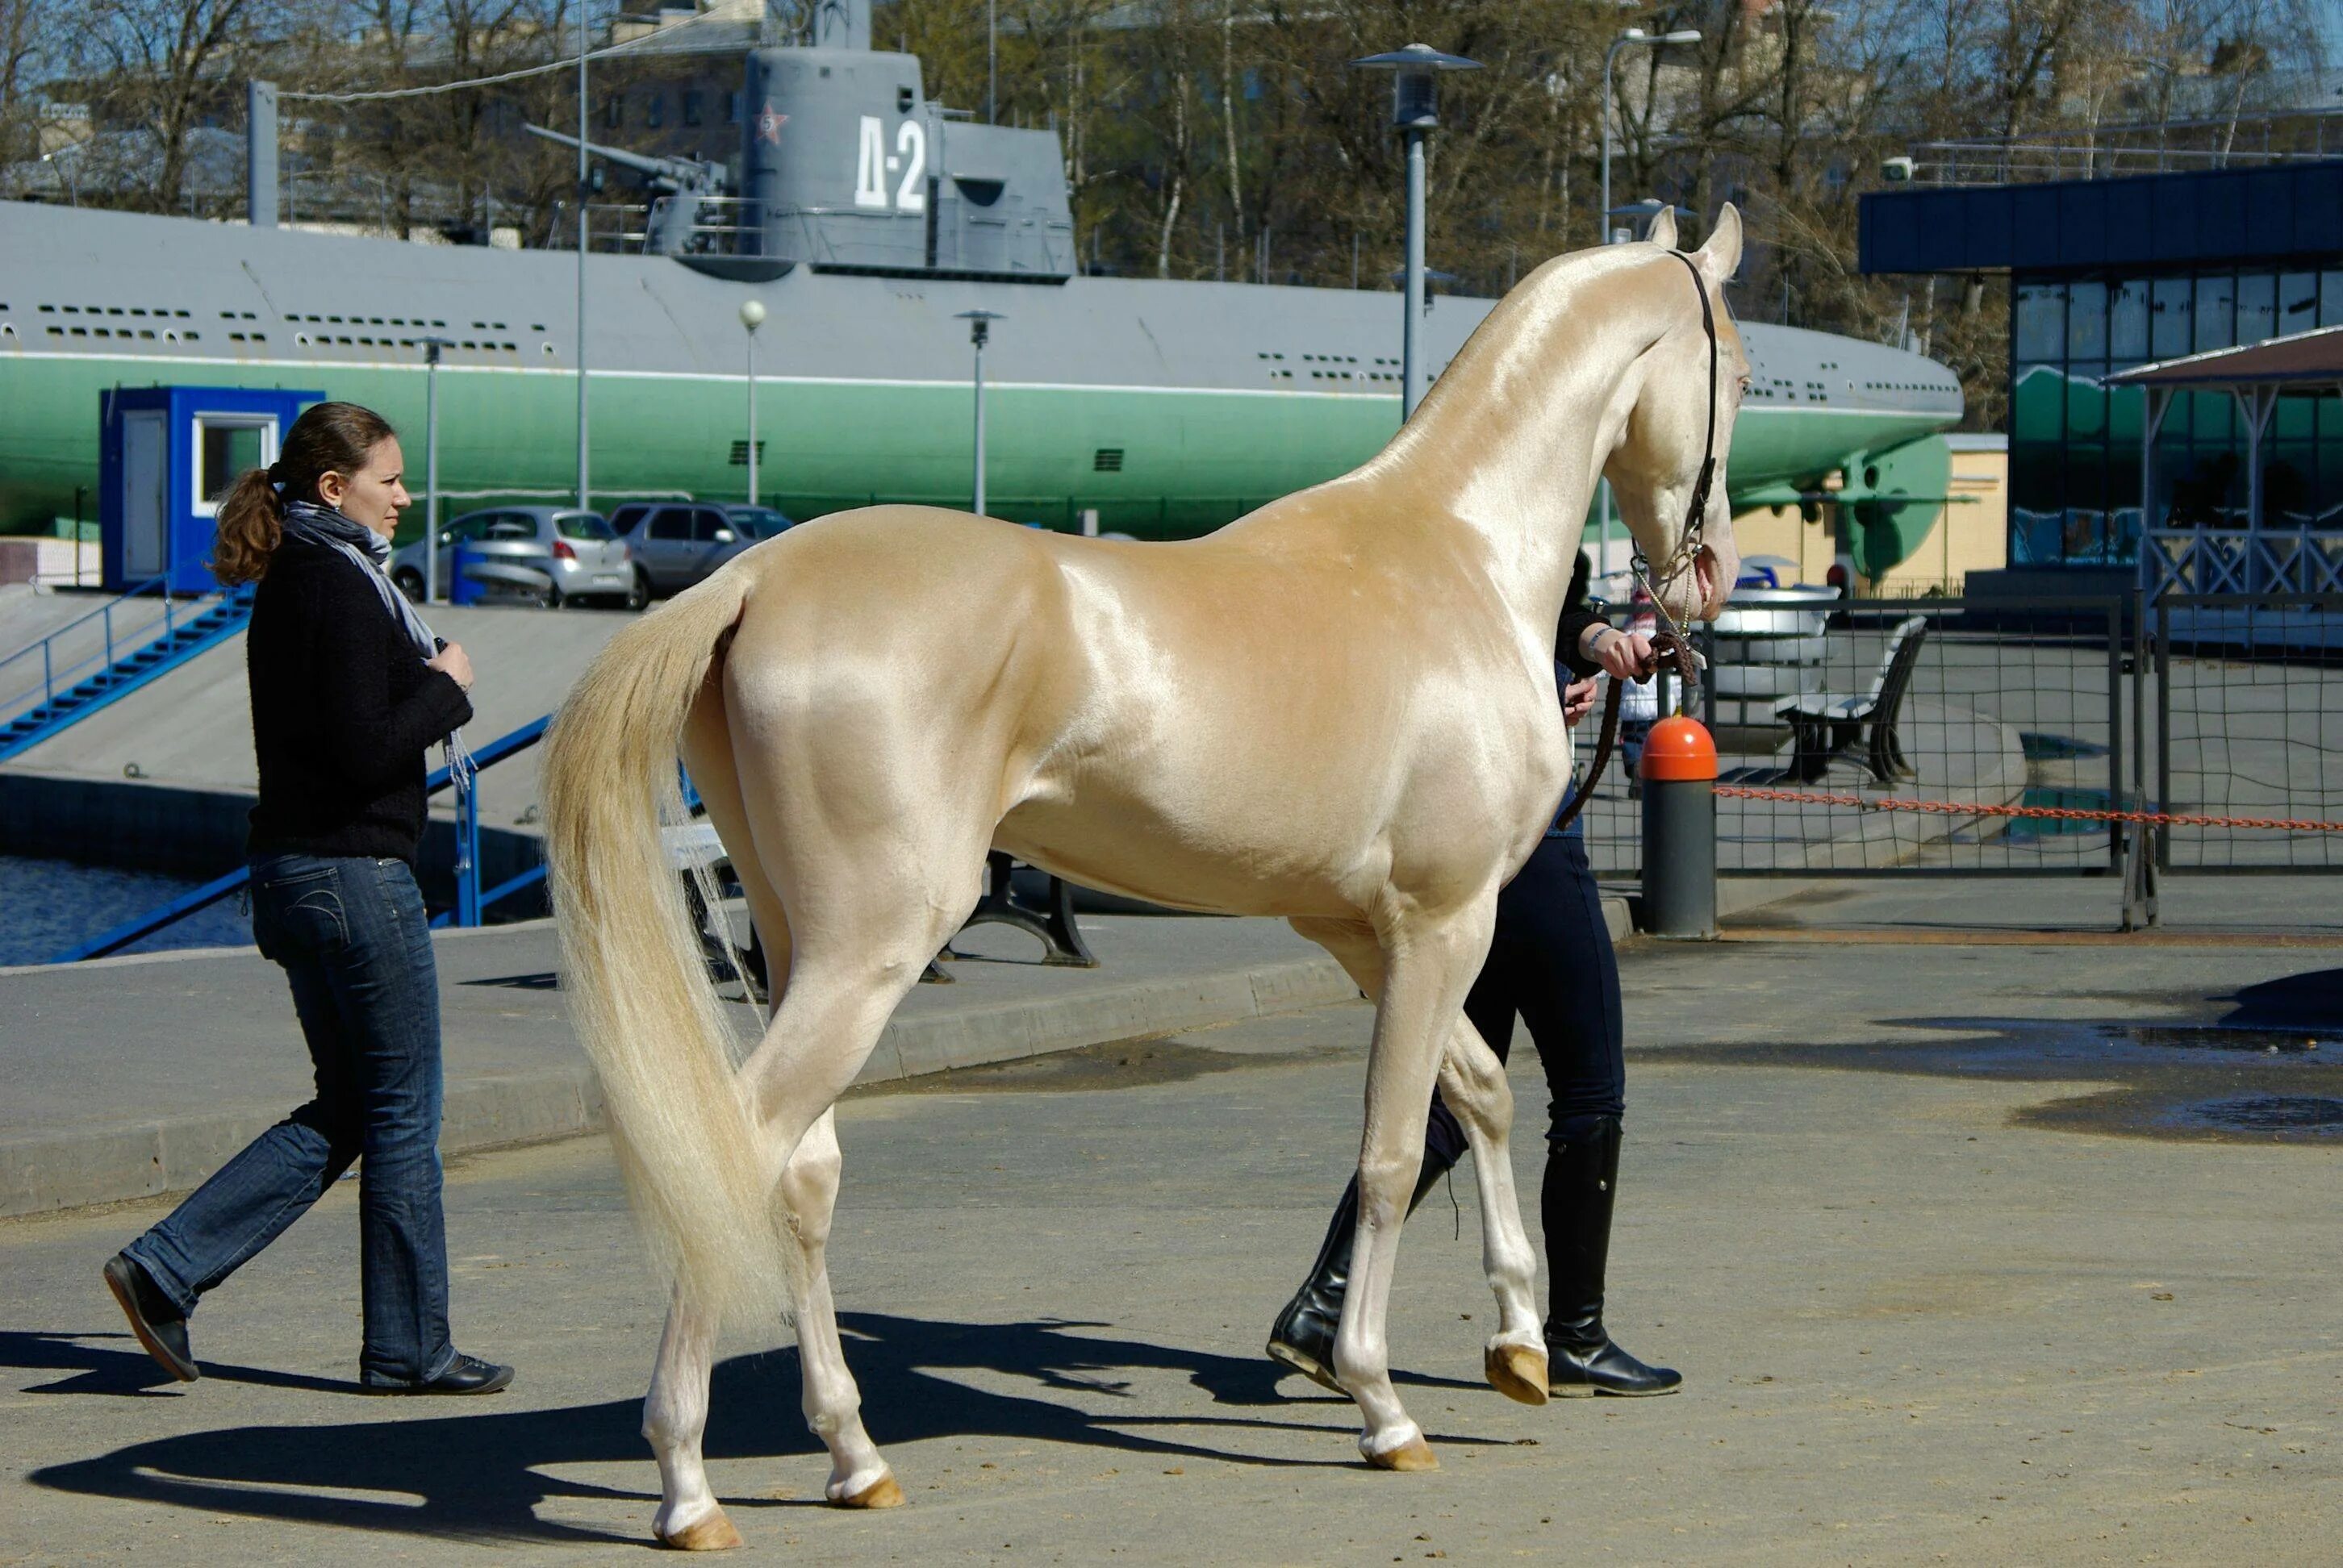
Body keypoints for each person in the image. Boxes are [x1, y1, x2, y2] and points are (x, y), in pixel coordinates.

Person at [102, 401, 512, 1395]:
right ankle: (410, 1350)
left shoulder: (308, 577)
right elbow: (365, 746)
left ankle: (165, 1270)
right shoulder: (332, 582)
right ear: (335, 489)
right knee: (405, 1113)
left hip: (298, 875)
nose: (406, 498)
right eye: (391, 481)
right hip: (353, 879)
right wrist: (449, 686)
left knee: (355, 1106)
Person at [1268, 551, 1679, 1399]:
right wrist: (1549, 681)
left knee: (1457, 1089)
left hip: (1466, 843)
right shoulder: (1506, 519)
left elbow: (1547, 611)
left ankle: (1323, 1301)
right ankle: (1575, 1335)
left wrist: (1589, 644)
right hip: (1523, 840)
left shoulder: (1458, 526)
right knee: (1591, 1092)